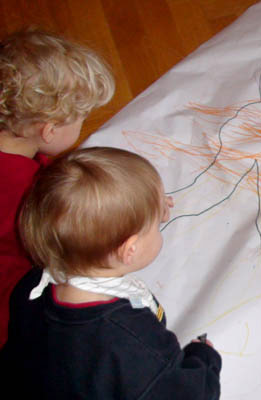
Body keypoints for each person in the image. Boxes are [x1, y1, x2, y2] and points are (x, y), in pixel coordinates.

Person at [0, 147, 221, 399]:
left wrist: (148, 209)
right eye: (156, 225)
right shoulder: (127, 337)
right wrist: (204, 359)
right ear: (130, 249)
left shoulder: (31, 285)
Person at [0, 29, 115, 347]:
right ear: (48, 131)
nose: (83, 124)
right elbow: (64, 237)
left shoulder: (18, 156)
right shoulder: (28, 191)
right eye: (80, 118)